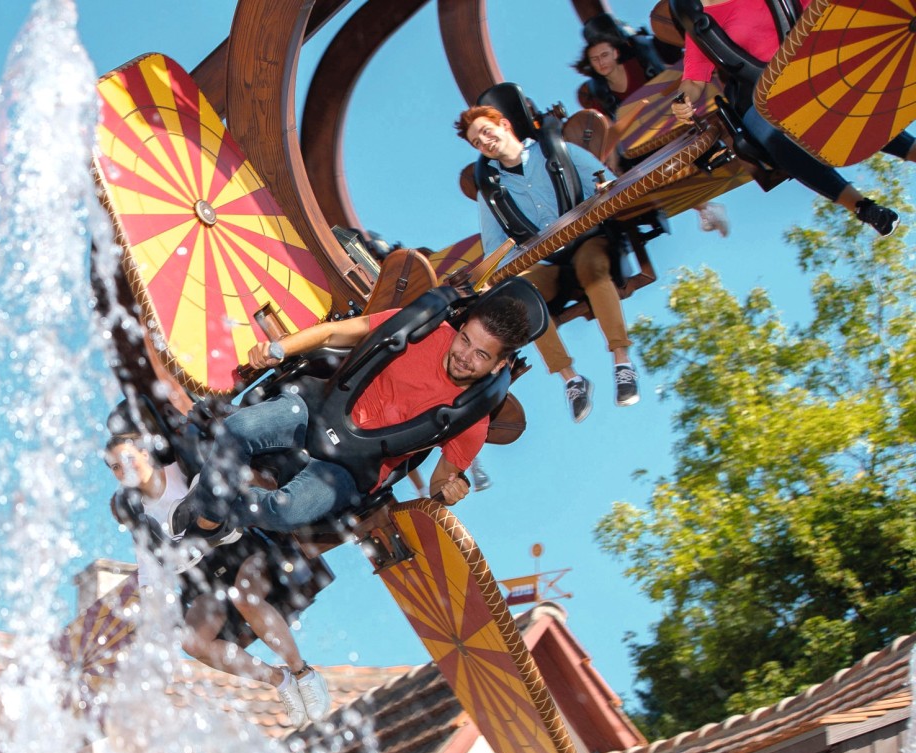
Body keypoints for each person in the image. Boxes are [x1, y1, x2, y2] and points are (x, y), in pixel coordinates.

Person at [177, 293, 533, 539]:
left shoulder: (472, 418)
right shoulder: (425, 330)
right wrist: (277, 349)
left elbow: (441, 480)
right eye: (465, 340)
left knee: (285, 513)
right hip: (322, 407)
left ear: (499, 364)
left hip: (355, 464)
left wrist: (449, 491)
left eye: (481, 355)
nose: (464, 356)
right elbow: (337, 331)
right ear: (462, 326)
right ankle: (211, 519)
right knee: (239, 427)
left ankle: (216, 509)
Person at [104, 432, 332, 726]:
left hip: (241, 551)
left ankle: (303, 673)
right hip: (201, 579)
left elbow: (232, 473)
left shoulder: (181, 469)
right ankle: (282, 681)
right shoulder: (136, 511)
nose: (123, 471)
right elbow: (148, 564)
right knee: (191, 640)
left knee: (244, 595)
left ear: (145, 454)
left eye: (127, 459)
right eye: (115, 468)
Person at [455, 103, 640, 423]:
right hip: (547, 260)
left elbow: (607, 182)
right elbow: (495, 249)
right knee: (520, 297)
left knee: (591, 268)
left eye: (486, 132)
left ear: (504, 125)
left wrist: (601, 192)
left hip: (587, 241)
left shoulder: (557, 152)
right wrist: (495, 278)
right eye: (477, 142)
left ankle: (622, 361)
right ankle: (571, 379)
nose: (485, 142)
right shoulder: (492, 190)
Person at [670, 0, 909, 236]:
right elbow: (693, 81)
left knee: (843, 100)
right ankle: (863, 207)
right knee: (769, 132)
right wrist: (682, 100)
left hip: (810, 71)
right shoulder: (698, 18)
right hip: (762, 94)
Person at [575, 33, 730, 236]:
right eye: (595, 59)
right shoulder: (600, 93)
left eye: (604, 55)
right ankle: (705, 207)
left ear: (615, 53)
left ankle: (708, 195)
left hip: (677, 121)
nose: (601, 62)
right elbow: (612, 129)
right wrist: (611, 165)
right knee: (640, 172)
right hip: (647, 142)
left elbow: (672, 80)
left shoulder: (640, 63)